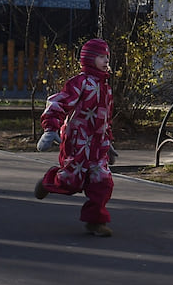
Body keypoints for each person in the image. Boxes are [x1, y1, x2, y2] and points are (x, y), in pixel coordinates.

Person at [34, 38, 118, 237]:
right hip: (78, 143)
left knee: (102, 183)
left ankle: (95, 222)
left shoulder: (106, 88)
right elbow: (58, 103)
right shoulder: (80, 83)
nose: (106, 60)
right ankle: (49, 181)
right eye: (100, 56)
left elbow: (105, 118)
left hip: (98, 147)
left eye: (107, 56)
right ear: (89, 58)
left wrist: (109, 143)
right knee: (71, 181)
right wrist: (50, 129)